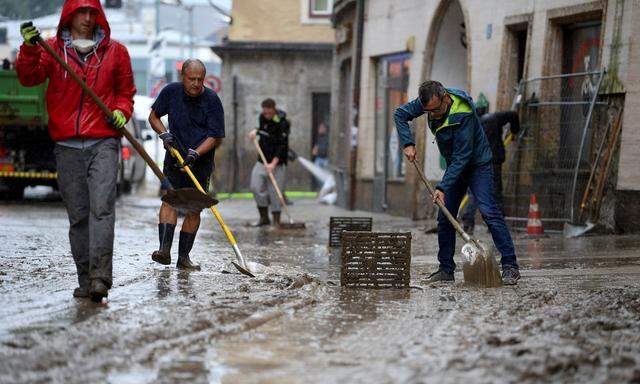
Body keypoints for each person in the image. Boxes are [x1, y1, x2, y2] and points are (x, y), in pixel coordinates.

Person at [16, 0, 136, 302]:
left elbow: (125, 93)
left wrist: (122, 110)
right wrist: (29, 49)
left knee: (103, 209)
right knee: (79, 216)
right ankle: (85, 279)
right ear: (68, 16)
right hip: (66, 144)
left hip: (103, 141)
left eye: (92, 13)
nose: (86, 18)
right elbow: (28, 77)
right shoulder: (51, 49)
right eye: (80, 12)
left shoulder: (116, 52)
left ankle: (100, 278)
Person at [394, 80, 520, 285]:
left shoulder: (464, 114)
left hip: (477, 164)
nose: (432, 115)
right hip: (455, 165)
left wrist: (442, 187)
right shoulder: (428, 102)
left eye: (435, 110)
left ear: (445, 98)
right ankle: (446, 269)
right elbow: (400, 114)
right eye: (428, 112)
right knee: (445, 216)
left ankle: (510, 266)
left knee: (489, 211)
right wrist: (407, 143)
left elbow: (463, 156)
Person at [148, 59, 225, 271]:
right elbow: (154, 117)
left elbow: (216, 136)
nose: (196, 83)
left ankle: (184, 258)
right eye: (192, 79)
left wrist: (196, 153)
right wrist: (164, 133)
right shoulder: (170, 92)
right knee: (170, 201)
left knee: (194, 209)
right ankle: (164, 250)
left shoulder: (211, 100)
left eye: (200, 79)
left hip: (200, 163)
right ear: (183, 77)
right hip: (174, 158)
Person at [460, 99, 521, 234]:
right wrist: (515, 131)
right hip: (493, 161)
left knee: (473, 194)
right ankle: (496, 225)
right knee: (495, 193)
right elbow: (513, 114)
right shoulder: (494, 118)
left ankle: (468, 223)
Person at [249, 98, 290, 227]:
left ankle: (276, 221)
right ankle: (264, 217)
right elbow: (261, 129)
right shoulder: (262, 117)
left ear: (274, 109)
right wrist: (255, 131)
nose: (266, 115)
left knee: (275, 192)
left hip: (277, 163)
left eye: (268, 113)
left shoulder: (283, 122)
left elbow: (282, 145)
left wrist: (273, 163)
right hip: (262, 160)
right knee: (256, 187)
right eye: (264, 113)